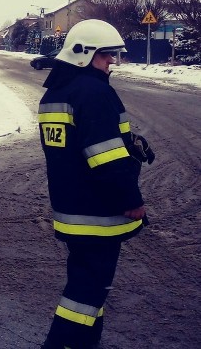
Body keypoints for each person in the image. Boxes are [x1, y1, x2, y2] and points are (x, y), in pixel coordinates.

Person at [38, 19, 155, 349]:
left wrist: (128, 141)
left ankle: (87, 344)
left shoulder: (56, 94)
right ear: (84, 55)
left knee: (90, 285)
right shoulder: (93, 92)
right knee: (86, 292)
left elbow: (77, 147)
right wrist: (132, 201)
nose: (111, 64)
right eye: (106, 57)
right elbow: (106, 159)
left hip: (71, 210)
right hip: (98, 214)